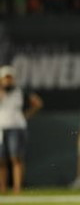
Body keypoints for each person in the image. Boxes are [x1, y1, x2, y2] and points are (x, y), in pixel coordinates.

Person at [0, 65, 43, 194]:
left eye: (10, 78)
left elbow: (38, 103)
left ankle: (17, 188)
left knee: (16, 158)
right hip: (1, 127)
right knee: (1, 160)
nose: (8, 81)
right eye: (5, 78)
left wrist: (26, 115)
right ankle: (2, 188)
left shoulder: (20, 91)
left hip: (16, 127)